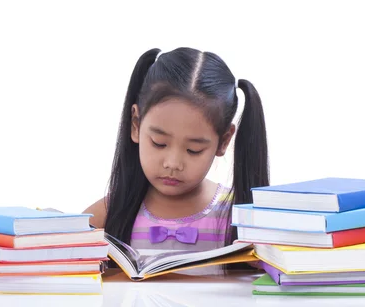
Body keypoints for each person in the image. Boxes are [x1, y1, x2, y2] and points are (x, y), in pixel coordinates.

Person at [84, 47, 269, 269]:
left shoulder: (238, 218)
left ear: (223, 141)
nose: (172, 163)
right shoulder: (109, 213)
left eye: (193, 150)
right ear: (136, 124)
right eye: (159, 143)